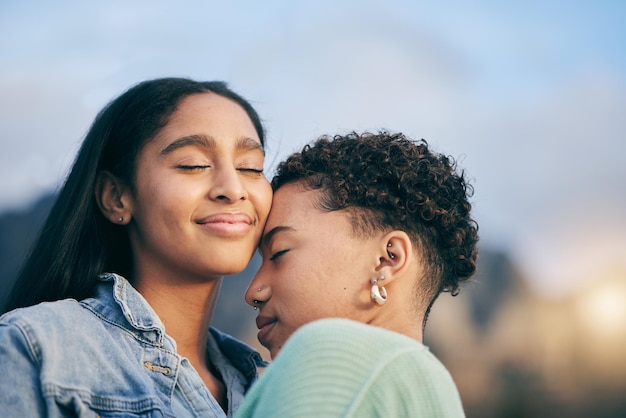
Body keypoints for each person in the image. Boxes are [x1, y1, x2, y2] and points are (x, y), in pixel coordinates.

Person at [0, 77, 273, 417]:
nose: (233, 189)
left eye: (251, 167)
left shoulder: (273, 391)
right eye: (193, 164)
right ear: (116, 197)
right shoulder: (34, 349)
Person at [236, 131, 479, 417]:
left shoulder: (329, 355)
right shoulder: (431, 392)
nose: (253, 292)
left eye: (279, 253)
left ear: (386, 260)